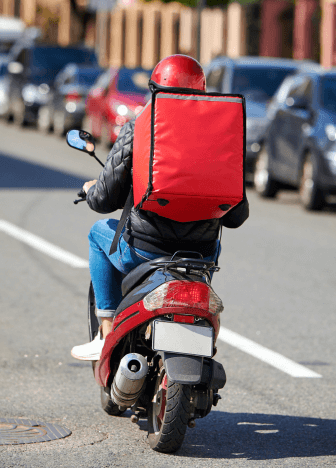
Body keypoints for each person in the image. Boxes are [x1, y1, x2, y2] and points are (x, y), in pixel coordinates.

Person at [70, 54, 249, 361]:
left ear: (154, 89)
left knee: (97, 233)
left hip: (144, 253)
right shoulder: (221, 135)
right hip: (201, 256)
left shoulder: (139, 126)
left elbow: (104, 200)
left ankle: (106, 329)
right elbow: (236, 216)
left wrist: (91, 190)